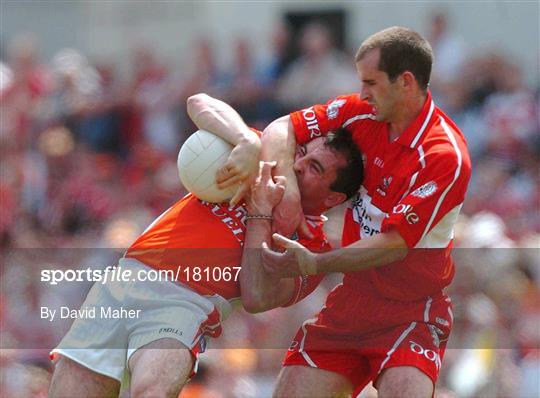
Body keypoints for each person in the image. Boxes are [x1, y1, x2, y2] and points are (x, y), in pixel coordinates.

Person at [48, 94, 364, 398]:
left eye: (315, 168)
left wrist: (259, 212)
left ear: (333, 198)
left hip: (187, 303)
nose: (297, 165)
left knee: (152, 391)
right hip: (128, 278)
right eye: (302, 152)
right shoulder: (262, 157)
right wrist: (246, 140)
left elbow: (257, 297)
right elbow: (198, 103)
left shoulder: (314, 248)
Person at [220, 26, 472, 397]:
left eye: (370, 82)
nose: (362, 93)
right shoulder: (360, 114)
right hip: (352, 302)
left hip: (411, 311)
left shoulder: (443, 156)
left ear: (405, 82)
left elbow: (394, 245)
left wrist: (316, 264)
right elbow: (280, 129)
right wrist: (289, 195)